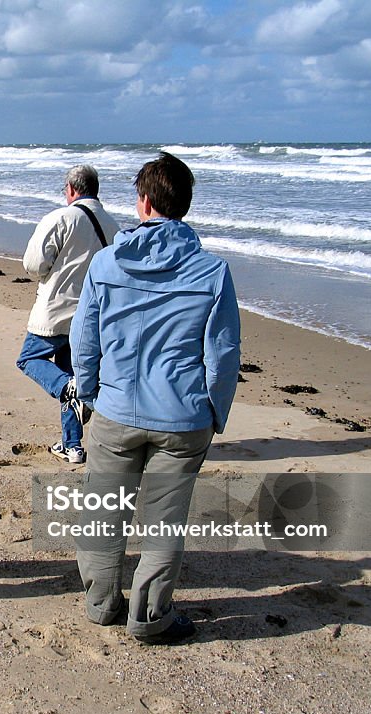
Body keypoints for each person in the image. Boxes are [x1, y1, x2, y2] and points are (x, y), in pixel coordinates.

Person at [69, 152, 241, 645]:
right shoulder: (212, 271)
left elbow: (85, 339)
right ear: (183, 206)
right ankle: (149, 616)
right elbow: (223, 353)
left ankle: (102, 604)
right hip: (182, 416)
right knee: (166, 521)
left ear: (143, 202)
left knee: (103, 508)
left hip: (117, 410)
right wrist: (215, 411)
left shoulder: (106, 263)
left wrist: (89, 392)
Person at [16, 165, 119, 464]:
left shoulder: (61, 218)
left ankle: (68, 390)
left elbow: (34, 264)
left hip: (57, 312)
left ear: (72, 189)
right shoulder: (112, 226)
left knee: (29, 359)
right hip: (91, 315)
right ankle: (72, 446)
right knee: (72, 371)